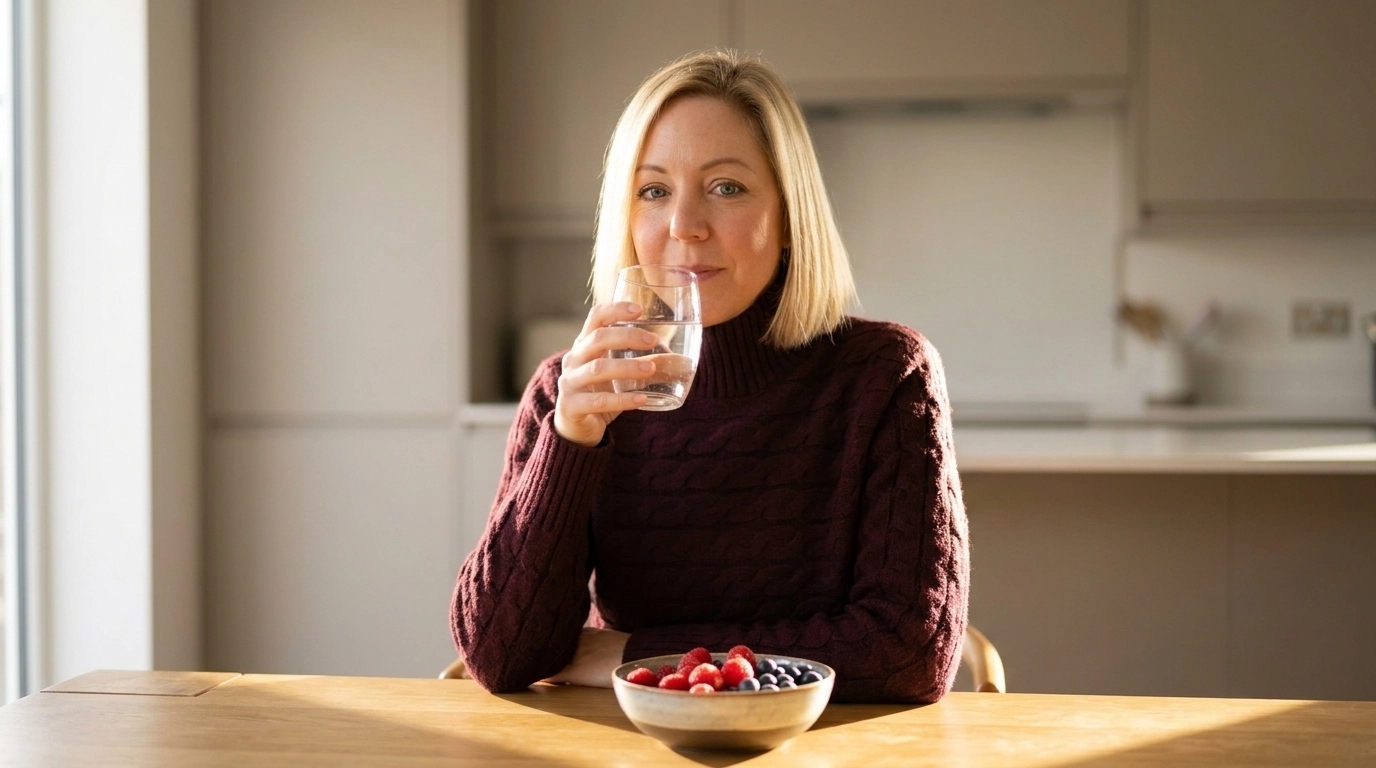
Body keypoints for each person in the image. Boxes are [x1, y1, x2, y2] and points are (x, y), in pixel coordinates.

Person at [451, 50, 968, 704]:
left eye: (727, 188)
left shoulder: (887, 376)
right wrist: (571, 440)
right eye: (653, 190)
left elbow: (908, 651)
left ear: (788, 218)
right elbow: (500, 654)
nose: (684, 227)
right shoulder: (569, 390)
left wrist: (637, 654)